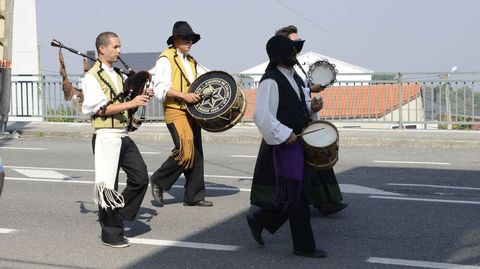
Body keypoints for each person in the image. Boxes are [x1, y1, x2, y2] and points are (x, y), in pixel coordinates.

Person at [246, 35, 326, 258]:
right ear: (282, 55)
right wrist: (284, 133)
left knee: (297, 192)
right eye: (292, 51)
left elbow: (301, 107)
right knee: (297, 193)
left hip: (301, 141)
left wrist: (313, 107)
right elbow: (261, 115)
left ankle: (260, 219)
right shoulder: (270, 80)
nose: (295, 54)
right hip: (287, 143)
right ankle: (303, 246)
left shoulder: (295, 78)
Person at [82, 31, 153, 248]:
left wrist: (141, 97)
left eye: (120, 46)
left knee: (140, 178)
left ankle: (117, 215)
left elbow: (125, 100)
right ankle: (111, 234)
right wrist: (131, 104)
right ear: (102, 49)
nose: (119, 51)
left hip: (123, 136)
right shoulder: (90, 77)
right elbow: (101, 110)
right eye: (115, 46)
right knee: (108, 188)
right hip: (105, 136)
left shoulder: (118, 76)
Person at [275, 25, 348, 216]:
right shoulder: (276, 73)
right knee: (306, 170)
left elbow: (300, 94)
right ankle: (271, 213)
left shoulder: (295, 67)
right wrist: (309, 91)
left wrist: (312, 105)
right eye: (294, 42)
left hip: (302, 123)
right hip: (289, 129)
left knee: (315, 165)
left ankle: (324, 202)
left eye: (298, 42)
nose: (297, 46)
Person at [150, 21, 212, 207]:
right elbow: (160, 88)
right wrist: (184, 95)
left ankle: (194, 196)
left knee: (196, 154)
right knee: (185, 152)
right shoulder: (165, 58)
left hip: (193, 112)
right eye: (186, 38)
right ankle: (158, 181)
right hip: (176, 110)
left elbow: (207, 75)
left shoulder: (191, 60)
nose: (190, 41)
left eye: (191, 38)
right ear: (175, 39)